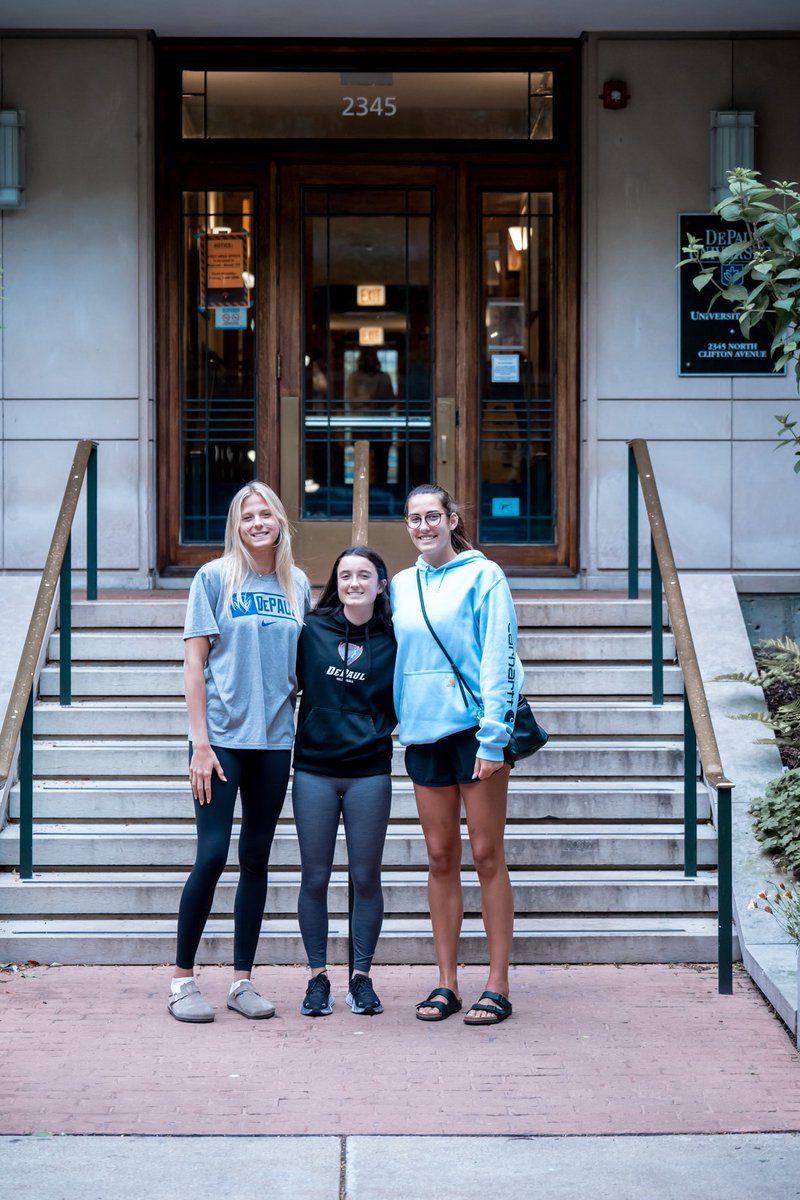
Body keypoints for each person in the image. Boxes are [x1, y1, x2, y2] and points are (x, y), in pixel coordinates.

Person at [168, 481, 310, 1023]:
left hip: (274, 742)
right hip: (221, 740)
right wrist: (200, 744)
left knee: (256, 859)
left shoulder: (294, 582)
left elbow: (301, 665)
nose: (258, 522)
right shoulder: (213, 578)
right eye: (248, 515)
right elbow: (193, 666)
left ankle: (242, 980)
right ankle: (182, 981)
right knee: (211, 855)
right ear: (237, 523)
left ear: (279, 521)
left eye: (266, 513)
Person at [391, 484, 521, 1027]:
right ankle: (446, 982)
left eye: (432, 517)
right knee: (441, 857)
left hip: (475, 732)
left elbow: (500, 653)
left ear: (451, 519)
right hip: (423, 734)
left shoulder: (483, 574)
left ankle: (497, 984)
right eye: (414, 519)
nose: (424, 526)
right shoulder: (398, 584)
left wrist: (494, 737)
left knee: (487, 854)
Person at [292, 545, 396, 1017]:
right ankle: (317, 978)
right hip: (314, 768)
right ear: (336, 582)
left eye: (364, 575)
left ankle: (361, 978)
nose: (354, 583)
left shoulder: (395, 637)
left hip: (369, 770)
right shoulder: (311, 630)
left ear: (381, 584)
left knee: (365, 876)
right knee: (314, 876)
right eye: (345, 575)